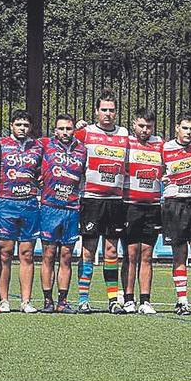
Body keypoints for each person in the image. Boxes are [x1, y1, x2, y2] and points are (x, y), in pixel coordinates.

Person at [75, 91, 131, 313]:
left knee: (111, 252)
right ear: (97, 112)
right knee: (88, 250)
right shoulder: (85, 133)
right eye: (104, 110)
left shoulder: (124, 134)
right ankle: (83, 299)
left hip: (116, 201)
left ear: (116, 112)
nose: (108, 114)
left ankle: (112, 300)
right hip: (91, 200)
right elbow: (61, 140)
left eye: (111, 110)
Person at [160, 112, 191, 315]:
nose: (189, 132)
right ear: (177, 128)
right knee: (179, 255)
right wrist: (161, 177)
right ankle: (182, 301)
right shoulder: (164, 147)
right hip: (175, 204)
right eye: (185, 128)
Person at [36, 114, 87, 312]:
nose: (65, 132)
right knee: (48, 255)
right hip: (49, 207)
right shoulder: (45, 145)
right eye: (61, 129)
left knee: (66, 256)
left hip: (72, 209)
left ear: (74, 130)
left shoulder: (82, 149)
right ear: (55, 130)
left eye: (69, 129)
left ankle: (62, 301)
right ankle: (47, 301)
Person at [0, 110, 42, 312]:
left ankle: (26, 301)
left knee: (27, 254)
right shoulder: (1, 144)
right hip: (6, 204)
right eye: (18, 124)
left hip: (30, 204)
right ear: (11, 125)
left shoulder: (38, 146)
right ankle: (4, 300)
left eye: (26, 125)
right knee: (5, 253)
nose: (22, 128)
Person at [120, 108, 164, 314]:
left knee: (147, 254)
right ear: (133, 125)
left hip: (153, 206)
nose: (145, 130)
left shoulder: (160, 144)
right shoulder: (126, 143)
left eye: (149, 126)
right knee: (131, 253)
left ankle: (145, 300)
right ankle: (128, 298)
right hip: (130, 205)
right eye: (141, 126)